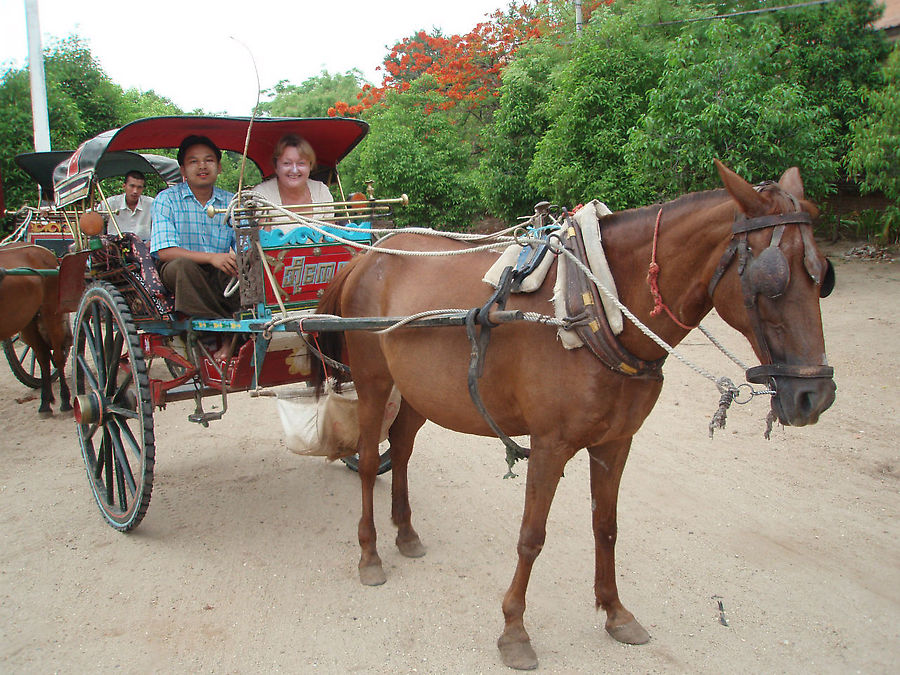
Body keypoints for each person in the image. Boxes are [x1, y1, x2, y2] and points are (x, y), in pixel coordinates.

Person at [150, 135, 239, 320]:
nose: (202, 166)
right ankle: (223, 326)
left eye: (209, 160)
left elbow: (243, 247)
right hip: (179, 270)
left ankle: (242, 326)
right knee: (184, 267)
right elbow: (165, 252)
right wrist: (212, 258)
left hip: (219, 269)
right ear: (183, 169)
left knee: (244, 272)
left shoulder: (233, 202)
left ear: (219, 166)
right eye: (193, 161)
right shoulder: (166, 199)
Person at [251, 134, 334, 230]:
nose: (294, 170)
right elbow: (263, 241)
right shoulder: (262, 194)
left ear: (310, 166)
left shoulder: (321, 191)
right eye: (287, 163)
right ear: (276, 167)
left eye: (301, 163)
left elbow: (330, 237)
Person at [100, 170, 153, 240]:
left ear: (143, 189)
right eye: (132, 186)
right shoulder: (110, 203)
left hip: (143, 247)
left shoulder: (151, 204)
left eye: (139, 187)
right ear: (124, 186)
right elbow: (91, 216)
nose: (135, 191)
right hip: (116, 246)